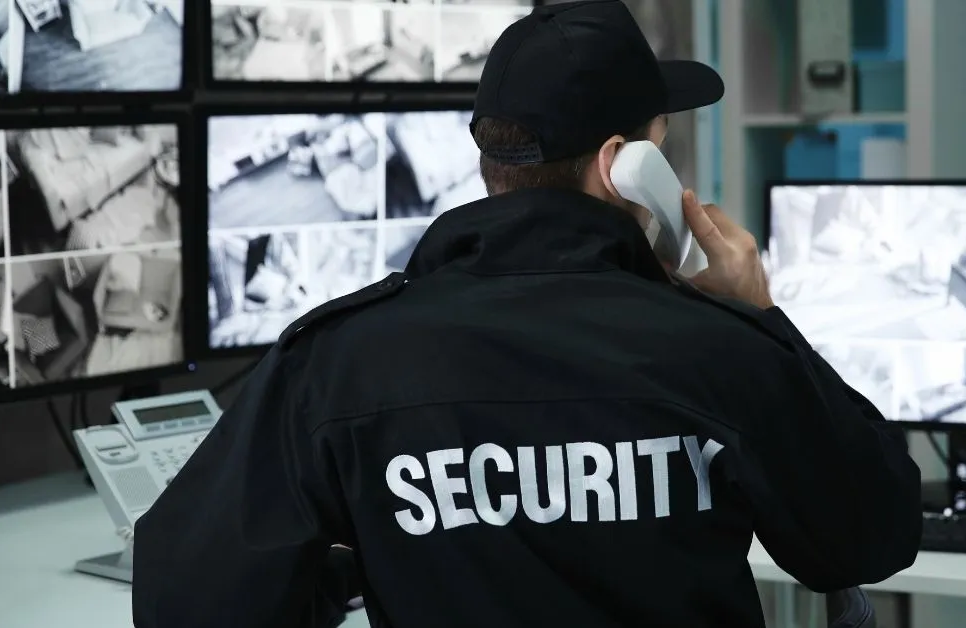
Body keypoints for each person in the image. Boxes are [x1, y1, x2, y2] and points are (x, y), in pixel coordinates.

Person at [131, 1, 922, 626]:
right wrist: (764, 318)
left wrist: (370, 557)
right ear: (623, 168)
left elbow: (186, 601)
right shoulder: (718, 349)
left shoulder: (335, 361)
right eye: (660, 143)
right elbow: (874, 536)